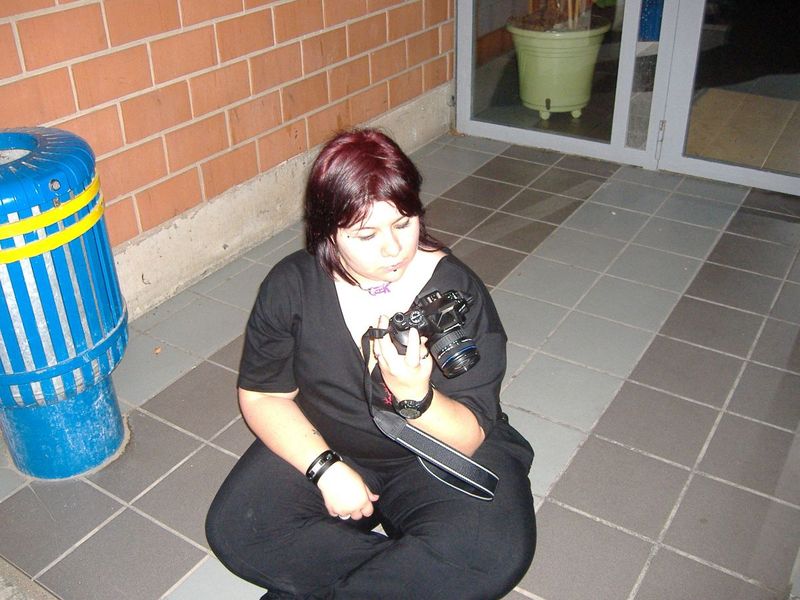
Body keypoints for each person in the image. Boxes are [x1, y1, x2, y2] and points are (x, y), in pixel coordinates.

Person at [205, 128, 536, 599]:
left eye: (403, 223)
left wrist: (416, 397)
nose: (393, 249)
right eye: (366, 234)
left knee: (493, 552)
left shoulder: (454, 292)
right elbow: (263, 396)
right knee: (240, 528)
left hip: (433, 453)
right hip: (331, 440)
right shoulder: (292, 286)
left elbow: (468, 436)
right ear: (326, 231)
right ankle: (408, 573)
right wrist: (325, 468)